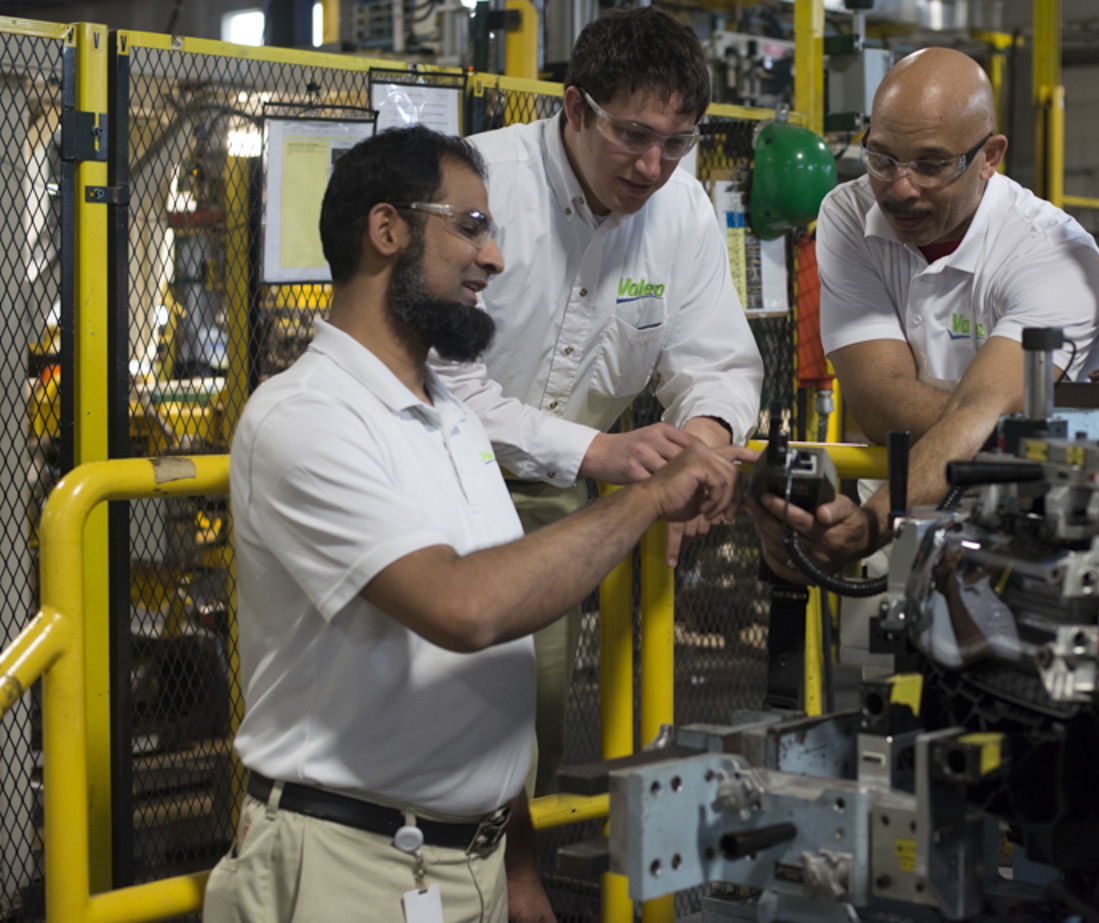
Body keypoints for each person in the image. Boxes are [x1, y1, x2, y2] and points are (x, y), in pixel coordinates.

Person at [204, 126, 751, 923]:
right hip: (345, 867)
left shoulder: (449, 415)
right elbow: (466, 609)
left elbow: (484, 680)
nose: (493, 258)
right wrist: (644, 497)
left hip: (469, 859)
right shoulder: (307, 417)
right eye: (469, 226)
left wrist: (516, 862)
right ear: (386, 230)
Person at [434, 6, 763, 794]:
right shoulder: (482, 183)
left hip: (554, 501)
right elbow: (440, 379)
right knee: (438, 728)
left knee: (527, 731)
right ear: (575, 108)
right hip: (434, 484)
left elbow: (713, 355)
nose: (654, 166)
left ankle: (507, 883)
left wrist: (703, 441)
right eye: (634, 136)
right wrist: (602, 453)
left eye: (676, 143)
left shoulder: (681, 213)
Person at [751, 46, 1099, 575]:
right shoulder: (849, 214)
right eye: (881, 158)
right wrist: (998, 428)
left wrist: (868, 524)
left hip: (1027, 545)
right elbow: (877, 404)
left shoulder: (1055, 255)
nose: (899, 188)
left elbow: (986, 415)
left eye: (931, 164)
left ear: (990, 156)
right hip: (897, 535)